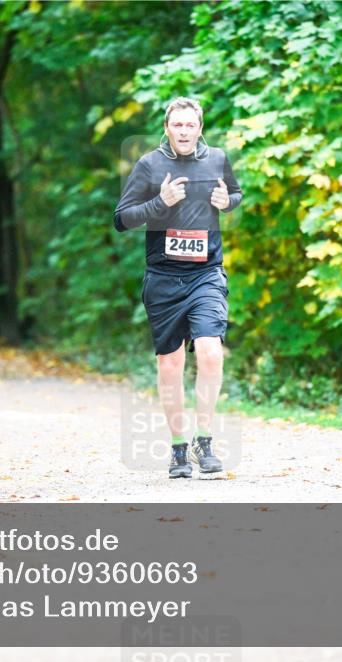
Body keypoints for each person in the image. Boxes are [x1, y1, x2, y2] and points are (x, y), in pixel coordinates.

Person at [113, 97, 243, 479]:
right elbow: (122, 219)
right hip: (164, 279)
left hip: (206, 274)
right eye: (178, 125)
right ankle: (178, 449)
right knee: (170, 365)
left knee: (210, 353)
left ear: (200, 128)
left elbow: (234, 194)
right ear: (167, 128)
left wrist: (228, 200)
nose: (184, 131)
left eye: (191, 125)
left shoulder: (217, 158)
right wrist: (160, 202)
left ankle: (205, 440)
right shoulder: (149, 164)